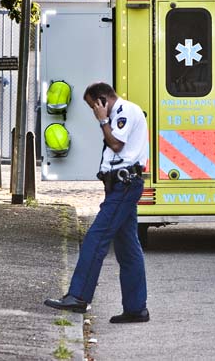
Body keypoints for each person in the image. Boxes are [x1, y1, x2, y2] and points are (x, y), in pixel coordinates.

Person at [44, 82, 150, 323]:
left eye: (94, 106)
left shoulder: (124, 112)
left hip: (124, 186)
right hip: (120, 186)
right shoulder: (120, 114)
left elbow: (116, 144)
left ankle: (79, 296)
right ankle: (136, 308)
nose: (94, 111)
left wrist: (103, 120)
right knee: (128, 248)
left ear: (102, 100)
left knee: (95, 238)